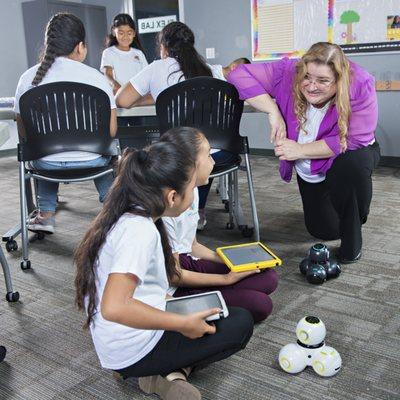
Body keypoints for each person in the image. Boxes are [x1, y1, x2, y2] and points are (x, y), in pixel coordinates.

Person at [74, 142, 254, 400]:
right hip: (131, 349)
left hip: (123, 340)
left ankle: (160, 374)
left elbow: (145, 289)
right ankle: (160, 372)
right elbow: (114, 307)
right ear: (172, 197)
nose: (194, 194)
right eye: (192, 189)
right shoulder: (140, 231)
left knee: (217, 310)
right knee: (240, 324)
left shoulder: (134, 215)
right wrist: (182, 323)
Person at [228, 42, 380, 263]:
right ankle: (341, 210)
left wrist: (298, 149)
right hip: (312, 166)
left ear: (339, 80)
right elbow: (239, 74)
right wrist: (273, 111)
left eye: (323, 81)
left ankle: (353, 236)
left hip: (351, 152)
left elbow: (353, 138)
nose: (311, 86)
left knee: (350, 167)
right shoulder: (289, 71)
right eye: (307, 77)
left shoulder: (360, 83)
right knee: (324, 231)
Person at [161, 127, 278, 322]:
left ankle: (208, 290)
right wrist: (225, 279)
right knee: (261, 305)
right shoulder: (168, 206)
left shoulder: (193, 189)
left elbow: (192, 245)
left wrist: (230, 262)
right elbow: (173, 275)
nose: (213, 162)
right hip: (171, 286)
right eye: (208, 155)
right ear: (191, 164)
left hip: (186, 265)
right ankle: (202, 293)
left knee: (267, 276)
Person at [14, 13, 117, 234]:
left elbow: (25, 134)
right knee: (108, 154)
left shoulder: (28, 78)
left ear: (48, 45)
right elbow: (111, 130)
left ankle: (46, 216)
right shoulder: (97, 78)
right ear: (80, 46)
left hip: (45, 164)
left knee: (44, 150)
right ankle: (113, 210)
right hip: (93, 160)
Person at [197, 57, 251, 230]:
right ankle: (197, 209)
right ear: (234, 67)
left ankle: (198, 209)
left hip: (207, 148)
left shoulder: (210, 74)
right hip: (213, 149)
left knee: (207, 156)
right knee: (207, 156)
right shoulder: (208, 73)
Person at [101, 13, 148, 95]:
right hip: (120, 95)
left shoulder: (138, 53)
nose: (125, 37)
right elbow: (107, 74)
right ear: (113, 32)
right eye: (121, 33)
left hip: (139, 95)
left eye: (129, 33)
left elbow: (146, 75)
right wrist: (119, 89)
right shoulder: (109, 52)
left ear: (134, 34)